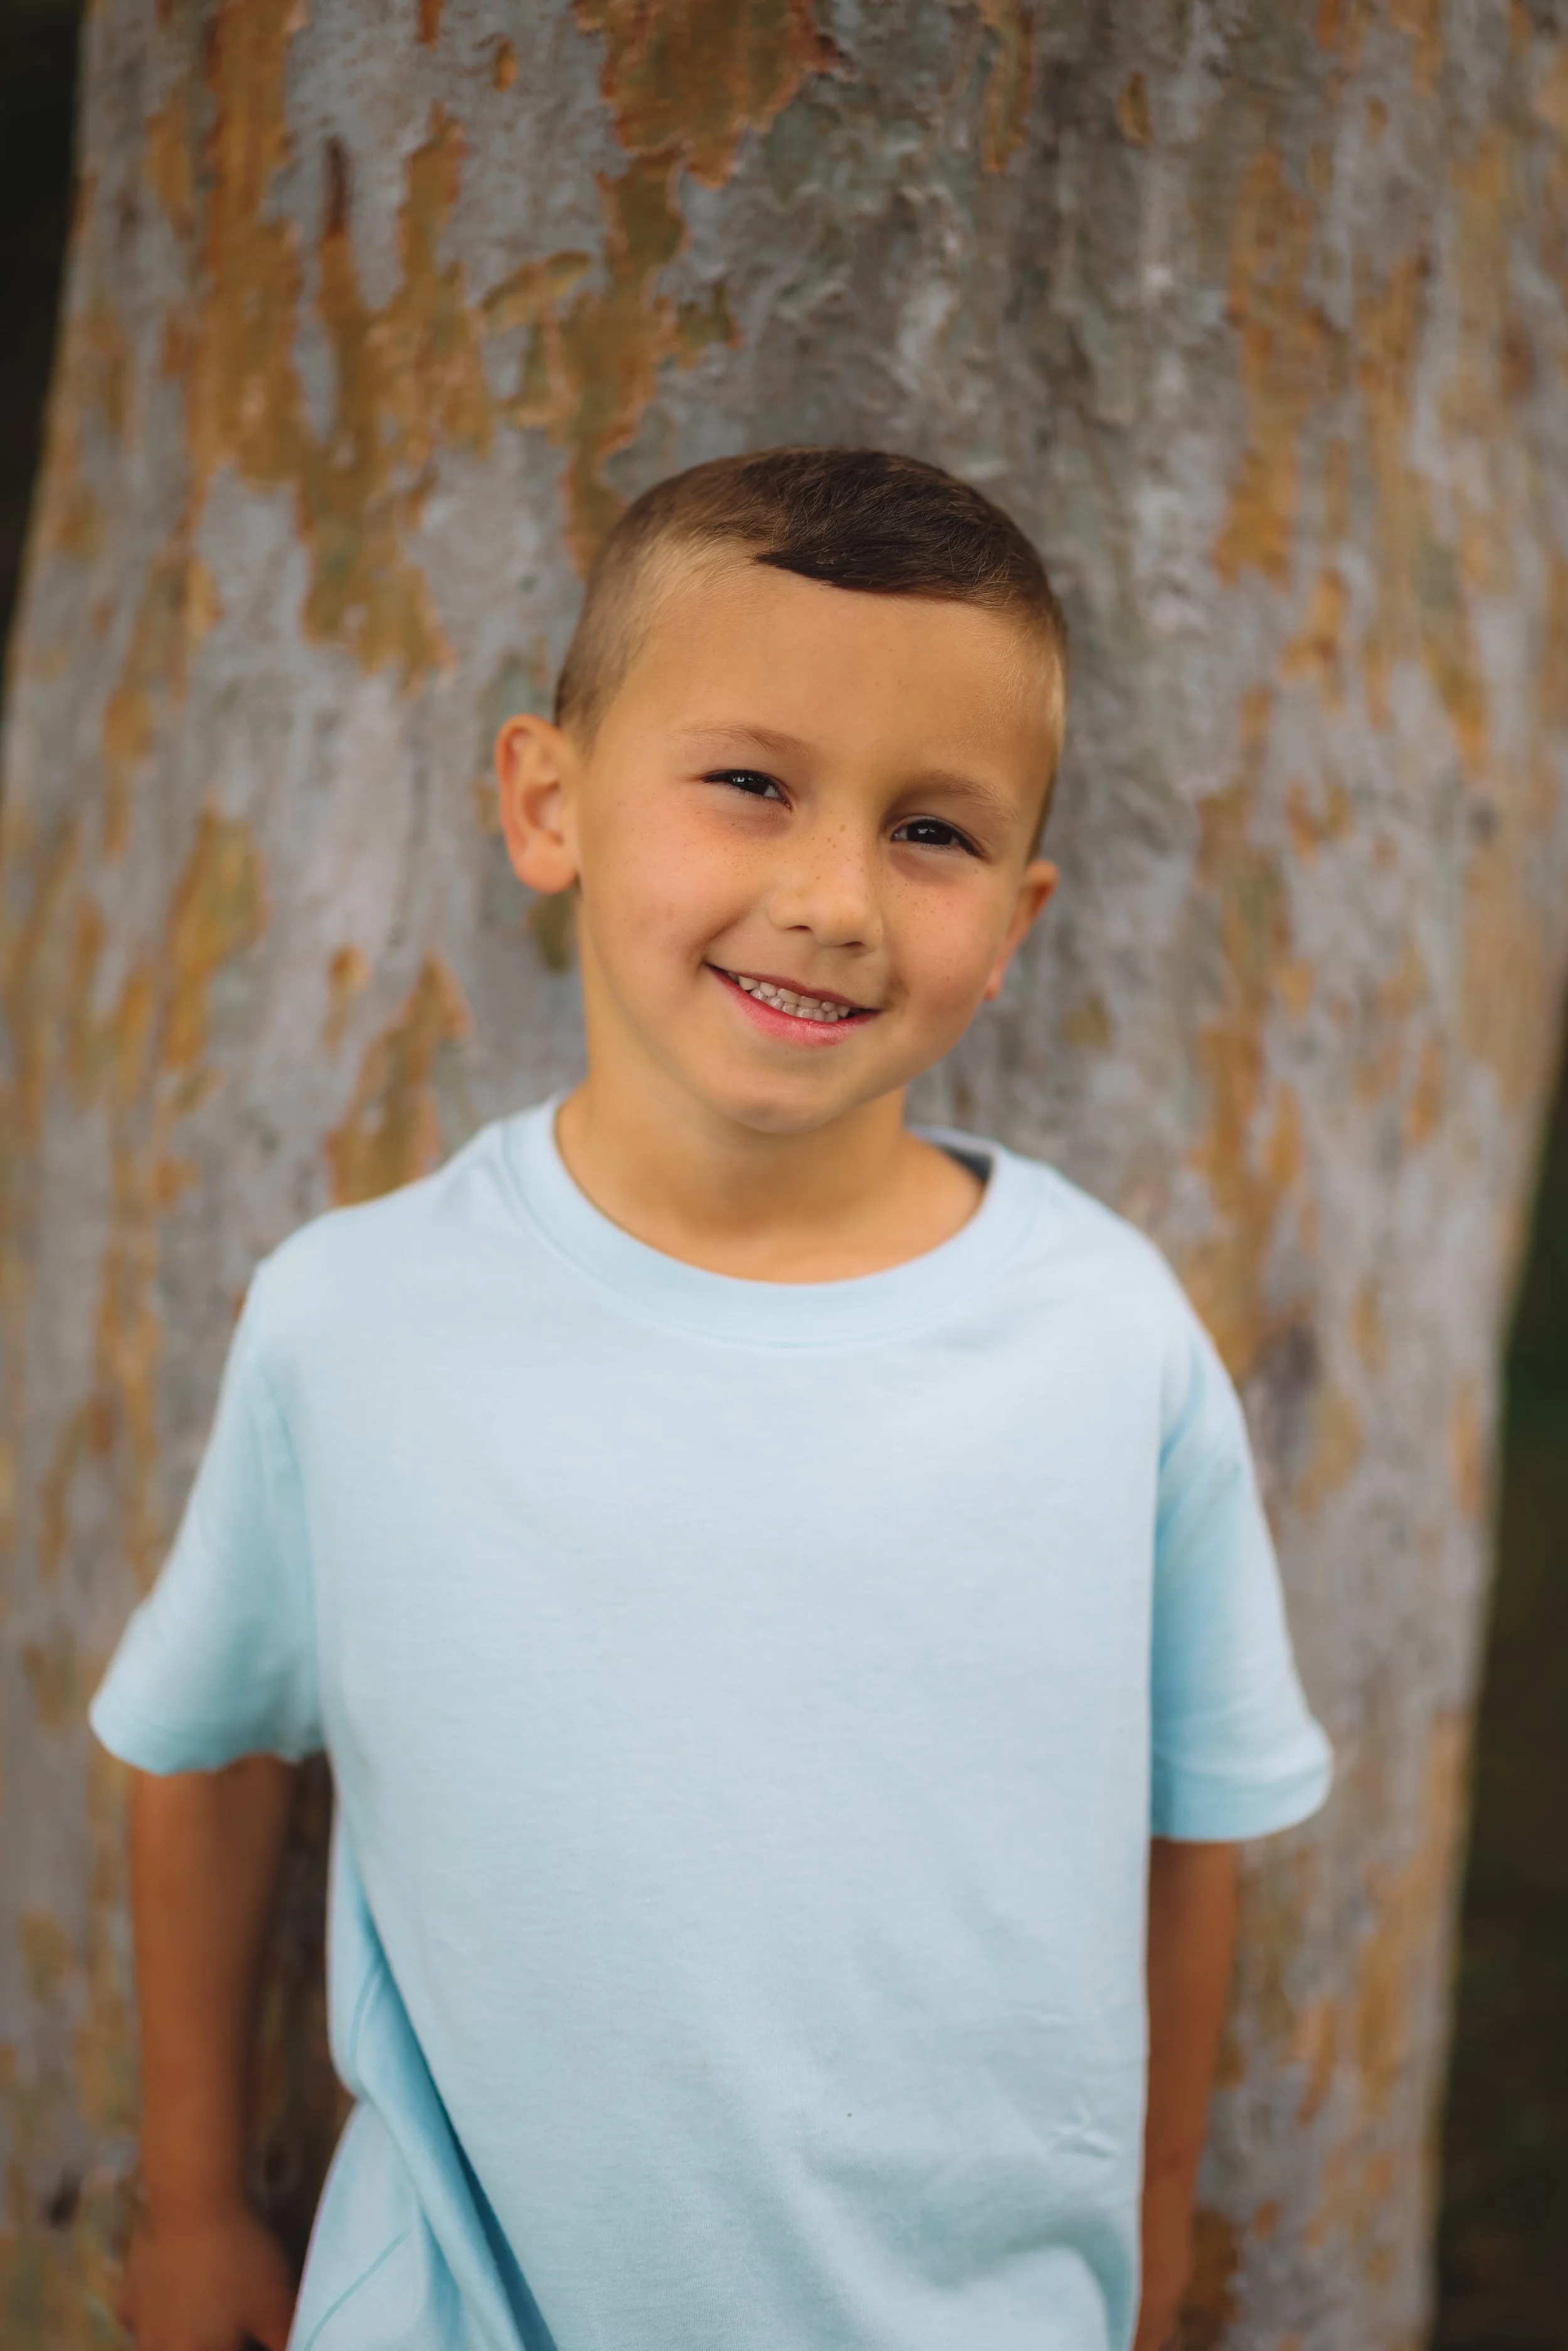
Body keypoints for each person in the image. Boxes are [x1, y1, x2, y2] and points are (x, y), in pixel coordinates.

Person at [93, 447, 1332, 2351]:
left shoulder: (1102, 1337)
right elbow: (201, 1745)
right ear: (547, 799)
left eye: (933, 831)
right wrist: (192, 2204)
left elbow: (1197, 1819)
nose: (832, 896)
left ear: (1015, 917)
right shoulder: (356, 1320)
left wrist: (1153, 2226)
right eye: (750, 782)